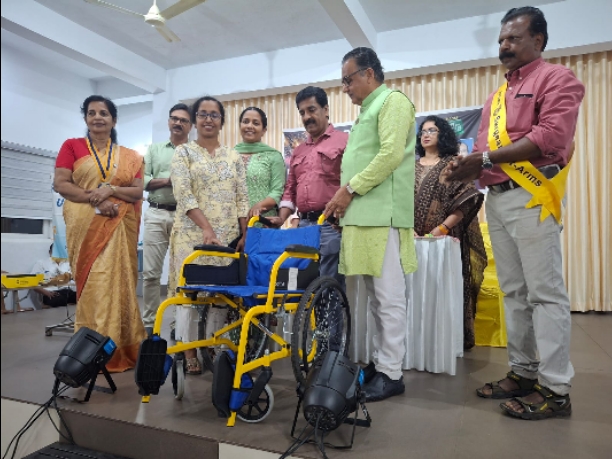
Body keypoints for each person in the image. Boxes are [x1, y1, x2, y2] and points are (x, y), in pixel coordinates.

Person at [445, 7, 585, 420]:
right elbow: (484, 151)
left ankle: (556, 389)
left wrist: (485, 158)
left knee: (545, 294)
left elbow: (551, 136)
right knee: (514, 294)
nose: (504, 45)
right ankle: (524, 373)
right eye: (501, 39)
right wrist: (465, 167)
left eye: (513, 38)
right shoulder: (496, 97)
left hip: (532, 196)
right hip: (498, 198)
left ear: (538, 40)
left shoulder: (558, 79)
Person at [325, 47, 417, 402]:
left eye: (348, 79)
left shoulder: (393, 102)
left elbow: (391, 155)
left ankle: (392, 374)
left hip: (382, 216)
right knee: (377, 301)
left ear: (369, 73)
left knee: (389, 297)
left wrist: (349, 190)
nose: (345, 87)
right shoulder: (366, 111)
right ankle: (382, 364)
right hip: (363, 218)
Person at [54, 95, 147, 373]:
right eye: (92, 113)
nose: (98, 117)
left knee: (119, 284)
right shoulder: (72, 146)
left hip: (119, 224)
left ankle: (119, 349)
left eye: (104, 113)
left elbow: (137, 191)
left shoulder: (131, 156)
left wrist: (112, 190)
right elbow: (61, 184)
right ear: (85, 118)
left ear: (113, 120)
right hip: (85, 226)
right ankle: (87, 352)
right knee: (94, 285)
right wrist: (96, 199)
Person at [169, 96, 249, 375]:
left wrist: (245, 233)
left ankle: (214, 345)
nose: (208, 119)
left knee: (219, 295)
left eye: (214, 115)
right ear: (194, 120)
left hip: (226, 238)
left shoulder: (233, 157)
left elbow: (242, 197)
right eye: (202, 114)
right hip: (191, 235)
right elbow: (183, 194)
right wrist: (205, 228)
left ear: (222, 121)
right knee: (189, 294)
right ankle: (189, 351)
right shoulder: (183, 153)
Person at [414, 115, 487, 350]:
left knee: (440, 294)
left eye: (432, 130)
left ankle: (443, 344)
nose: (426, 135)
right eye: (423, 131)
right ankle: (418, 343)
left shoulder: (453, 165)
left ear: (443, 134)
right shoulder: (409, 167)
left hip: (444, 242)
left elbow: (466, 201)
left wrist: (441, 229)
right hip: (412, 242)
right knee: (416, 295)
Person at [274, 86, 348, 286]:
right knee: (301, 286)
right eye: (302, 112)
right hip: (303, 228)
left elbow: (353, 184)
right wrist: (281, 218)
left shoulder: (345, 141)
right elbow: (290, 189)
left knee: (328, 288)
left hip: (332, 226)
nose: (307, 117)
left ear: (326, 109)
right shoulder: (298, 151)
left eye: (312, 110)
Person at [142, 103, 192, 336]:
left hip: (185, 216)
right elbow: (143, 181)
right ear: (169, 122)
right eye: (174, 118)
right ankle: (150, 324)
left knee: (181, 274)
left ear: (190, 126)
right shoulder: (154, 150)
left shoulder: (195, 152)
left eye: (183, 120)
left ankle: (177, 325)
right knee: (151, 274)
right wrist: (169, 181)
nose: (178, 123)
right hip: (156, 213)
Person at [233, 107, 286, 223]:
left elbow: (277, 191)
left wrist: (260, 206)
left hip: (262, 222)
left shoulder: (274, 156)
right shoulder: (228, 155)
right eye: (245, 121)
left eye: (256, 123)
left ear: (264, 130)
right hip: (231, 224)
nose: (249, 126)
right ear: (240, 125)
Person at [30, 243, 77, 308]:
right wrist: (46, 293)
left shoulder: (67, 264)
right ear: (50, 252)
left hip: (68, 291)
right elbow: (32, 282)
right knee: (58, 300)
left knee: (85, 297)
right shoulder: (41, 264)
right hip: (51, 293)